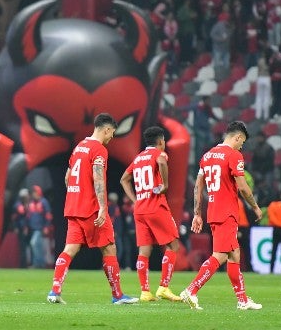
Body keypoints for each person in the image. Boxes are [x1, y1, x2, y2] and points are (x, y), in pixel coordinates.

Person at [47, 113, 138, 305]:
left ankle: (54, 291)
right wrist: (103, 208)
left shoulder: (79, 147)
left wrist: (76, 193)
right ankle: (118, 295)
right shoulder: (98, 150)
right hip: (91, 208)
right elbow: (98, 178)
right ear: (106, 129)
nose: (111, 137)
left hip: (73, 207)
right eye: (112, 133)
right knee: (109, 248)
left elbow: (67, 176)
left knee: (69, 249)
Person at [179, 121, 263, 310]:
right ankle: (191, 290)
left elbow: (198, 186)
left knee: (235, 254)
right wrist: (255, 207)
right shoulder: (234, 155)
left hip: (214, 211)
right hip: (228, 212)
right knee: (221, 255)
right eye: (242, 142)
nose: (242, 146)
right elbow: (243, 187)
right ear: (238, 137)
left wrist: (197, 213)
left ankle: (242, 300)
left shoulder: (207, 156)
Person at [120, 126, 182, 302]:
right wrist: (165, 186)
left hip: (140, 210)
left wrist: (135, 200)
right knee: (173, 246)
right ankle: (163, 287)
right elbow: (162, 162)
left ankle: (145, 292)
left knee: (144, 251)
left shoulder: (138, 158)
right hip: (156, 206)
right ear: (161, 141)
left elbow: (123, 179)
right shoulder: (159, 154)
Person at [28, 185, 52, 268]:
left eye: (35, 192)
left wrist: (46, 227)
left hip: (40, 228)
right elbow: (29, 215)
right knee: (38, 245)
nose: (33, 194)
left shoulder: (43, 202)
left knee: (34, 243)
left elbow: (48, 216)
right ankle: (40, 263)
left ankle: (37, 263)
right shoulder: (31, 203)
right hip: (32, 228)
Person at [12, 188, 30, 268]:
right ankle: (23, 265)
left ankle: (26, 263)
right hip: (21, 228)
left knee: (27, 246)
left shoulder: (25, 204)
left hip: (26, 228)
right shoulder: (18, 205)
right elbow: (18, 215)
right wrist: (16, 227)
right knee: (22, 247)